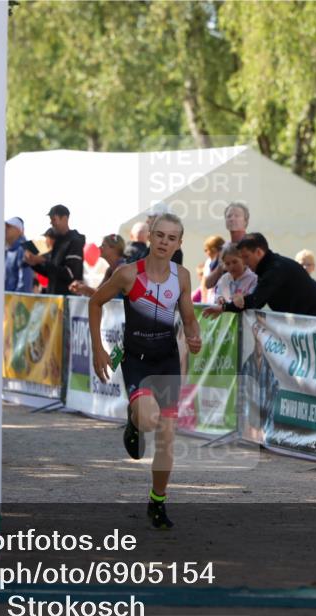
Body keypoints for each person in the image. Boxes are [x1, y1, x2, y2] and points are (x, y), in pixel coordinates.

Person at [88, 213, 201, 530]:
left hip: (166, 360)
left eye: (172, 238)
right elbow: (95, 303)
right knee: (149, 419)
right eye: (160, 235)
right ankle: (134, 421)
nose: (165, 242)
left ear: (179, 243)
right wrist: (99, 348)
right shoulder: (127, 274)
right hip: (136, 358)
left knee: (167, 437)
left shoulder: (182, 277)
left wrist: (193, 336)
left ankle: (158, 501)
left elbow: (188, 317)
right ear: (150, 237)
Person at [205, 232, 316, 317]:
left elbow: (256, 299)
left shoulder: (275, 269)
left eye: (246, 257)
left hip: (314, 322)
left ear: (258, 252)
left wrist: (225, 307)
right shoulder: (270, 267)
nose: (245, 263)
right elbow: (256, 300)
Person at [23, 204, 85, 295]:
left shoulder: (74, 242)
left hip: (67, 299)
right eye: (50, 220)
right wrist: (34, 264)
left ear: (64, 219)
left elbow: (71, 274)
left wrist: (43, 260)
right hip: (54, 298)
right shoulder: (58, 242)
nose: (51, 223)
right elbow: (51, 274)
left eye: (54, 219)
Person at [203, 202, 250, 291]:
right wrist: (221, 267)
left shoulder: (252, 246)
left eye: (237, 216)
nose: (232, 219)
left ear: (246, 221)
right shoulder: (224, 249)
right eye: (229, 216)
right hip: (224, 299)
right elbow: (208, 284)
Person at [4, 216, 34, 294]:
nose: (5, 229)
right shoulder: (6, 250)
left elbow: (25, 281)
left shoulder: (25, 248)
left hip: (16, 302)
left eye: (9, 226)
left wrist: (16, 302)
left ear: (19, 230)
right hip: (6, 300)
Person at [199, 235, 225, 304]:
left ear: (213, 249)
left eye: (206, 250)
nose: (205, 253)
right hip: (212, 297)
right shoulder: (209, 262)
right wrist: (204, 300)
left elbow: (204, 283)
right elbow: (204, 284)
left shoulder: (211, 262)